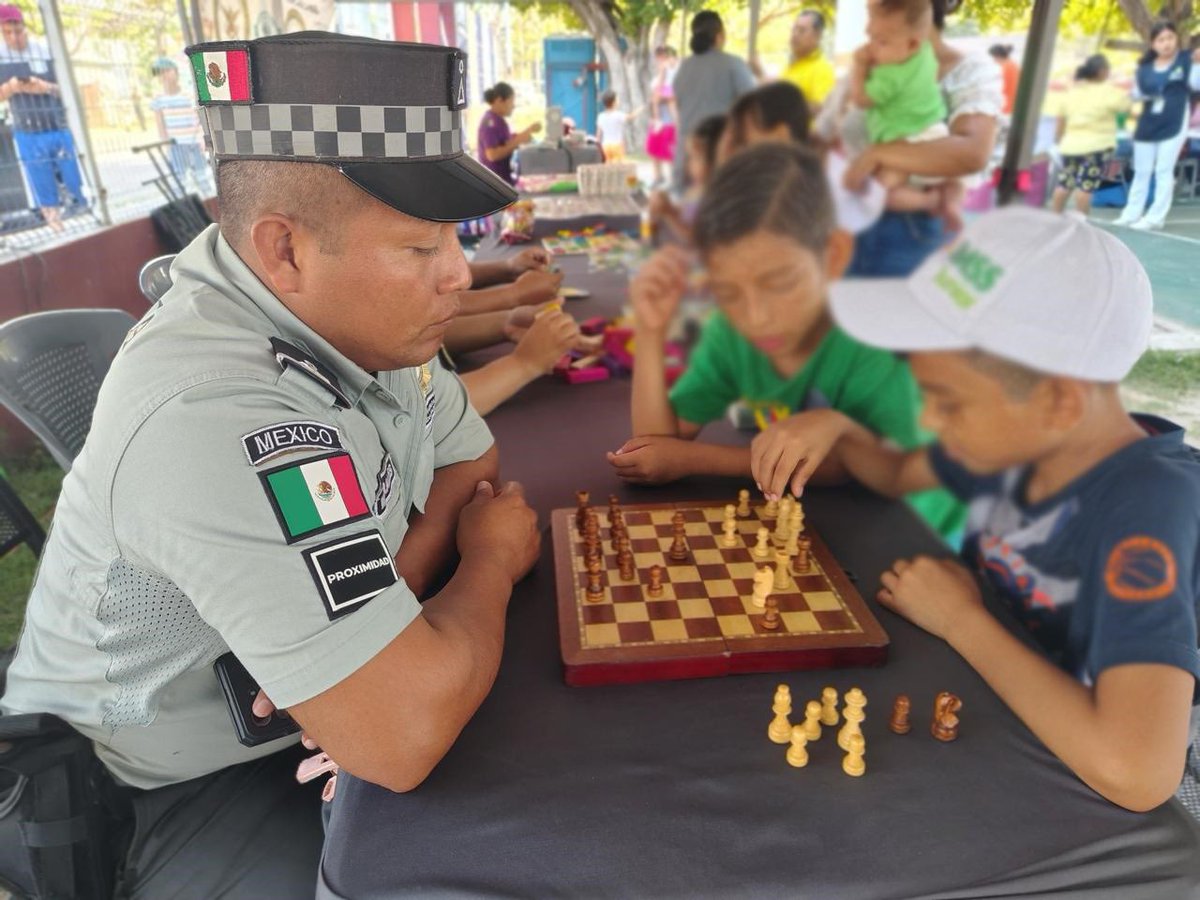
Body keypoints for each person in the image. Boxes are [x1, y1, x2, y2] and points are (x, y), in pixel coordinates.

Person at [0, 33, 541, 896]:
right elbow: (403, 734)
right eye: (418, 247)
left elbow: (470, 464)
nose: (458, 274)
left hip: (285, 724)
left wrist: (379, 617)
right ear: (283, 248)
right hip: (153, 789)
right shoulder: (214, 410)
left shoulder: (363, 319)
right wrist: (489, 560)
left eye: (452, 238)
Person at [750, 207, 1199, 813]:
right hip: (1010, 690)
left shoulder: (1144, 511)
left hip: (1129, 745)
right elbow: (898, 472)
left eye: (948, 400)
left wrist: (961, 620)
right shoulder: (1019, 441)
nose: (929, 421)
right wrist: (838, 427)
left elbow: (1138, 773)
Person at [609, 143, 963, 542]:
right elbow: (657, 450)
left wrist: (836, 428)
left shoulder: (872, 343)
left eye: (779, 284)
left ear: (833, 255)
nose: (756, 317)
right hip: (835, 524)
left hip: (921, 532)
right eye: (728, 291)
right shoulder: (730, 335)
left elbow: (895, 475)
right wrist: (651, 331)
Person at [820, 0, 1002, 277]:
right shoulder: (871, 62)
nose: (867, 27)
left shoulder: (968, 70)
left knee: (894, 317)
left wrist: (877, 154)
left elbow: (971, 153)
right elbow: (826, 134)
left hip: (912, 235)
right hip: (848, 225)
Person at [848, 0, 962, 232]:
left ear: (911, 44)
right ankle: (953, 204)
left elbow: (860, 99)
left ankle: (930, 201)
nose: (871, 47)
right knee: (956, 180)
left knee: (881, 191)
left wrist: (859, 67)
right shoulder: (925, 53)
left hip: (904, 142)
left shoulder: (889, 76)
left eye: (881, 42)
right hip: (936, 132)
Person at [0, 4, 85, 232]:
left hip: (56, 124)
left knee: (71, 174)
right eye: (7, 32)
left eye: (17, 31)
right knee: (40, 179)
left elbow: (67, 88)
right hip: (26, 129)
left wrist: (45, 87)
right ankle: (54, 224)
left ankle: (81, 208)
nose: (14, 37)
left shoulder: (45, 51)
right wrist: (12, 87)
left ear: (24, 27)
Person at [1113, 21, 1200, 231]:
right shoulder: (1144, 68)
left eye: (1170, 38)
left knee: (1163, 169)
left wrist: (1197, 64)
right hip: (1148, 123)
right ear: (1153, 44)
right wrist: (1125, 94)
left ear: (1176, 39)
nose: (1166, 43)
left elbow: (1196, 85)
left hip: (1174, 120)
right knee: (1141, 170)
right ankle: (1131, 212)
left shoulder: (1186, 60)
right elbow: (1137, 94)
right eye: (1161, 40)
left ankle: (1155, 217)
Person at [671, 10, 755, 190]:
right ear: (720, 36)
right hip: (718, 154)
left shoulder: (684, 67)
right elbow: (753, 103)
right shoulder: (733, 64)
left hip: (686, 157)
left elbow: (677, 104)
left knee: (686, 211)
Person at [1045, 55, 1130, 216]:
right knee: (1086, 186)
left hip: (1070, 145)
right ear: (1103, 71)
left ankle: (1055, 217)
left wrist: (1059, 138)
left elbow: (1061, 119)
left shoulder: (1073, 92)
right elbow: (1126, 108)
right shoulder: (1110, 92)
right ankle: (1081, 221)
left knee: (1065, 182)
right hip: (1097, 145)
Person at [648, 114, 725, 245]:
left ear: (715, 160)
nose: (688, 164)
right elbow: (685, 215)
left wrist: (669, 212)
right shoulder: (695, 189)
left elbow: (696, 238)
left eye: (694, 157)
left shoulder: (717, 197)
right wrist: (666, 207)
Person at [149, 56, 211, 193]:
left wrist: (203, 140)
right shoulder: (158, 99)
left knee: (202, 179)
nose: (164, 75)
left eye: (167, 71)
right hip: (175, 145)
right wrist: (166, 144)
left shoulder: (189, 95)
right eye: (161, 73)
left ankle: (209, 206)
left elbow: (199, 119)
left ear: (175, 72)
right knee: (179, 182)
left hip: (194, 143)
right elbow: (160, 124)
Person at [477, 81, 542, 186]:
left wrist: (528, 131)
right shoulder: (490, 123)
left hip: (503, 179)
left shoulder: (498, 120)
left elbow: (506, 142)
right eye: (511, 101)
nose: (513, 106)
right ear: (499, 100)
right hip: (495, 183)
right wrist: (518, 141)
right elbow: (492, 155)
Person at [782, 10, 836, 112]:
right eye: (794, 29)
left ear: (817, 36)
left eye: (801, 31)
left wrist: (785, 102)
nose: (795, 35)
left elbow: (821, 108)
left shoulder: (822, 68)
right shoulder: (789, 65)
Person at [646, 46, 679, 187]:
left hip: (671, 120)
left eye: (663, 55)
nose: (661, 59)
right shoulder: (657, 78)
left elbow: (673, 96)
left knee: (671, 150)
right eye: (658, 56)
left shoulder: (675, 71)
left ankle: (674, 179)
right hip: (659, 119)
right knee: (654, 149)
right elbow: (656, 94)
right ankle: (658, 176)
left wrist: (662, 95)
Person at [597, 90, 641, 162]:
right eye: (617, 99)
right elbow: (631, 117)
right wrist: (640, 109)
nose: (618, 100)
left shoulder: (600, 116)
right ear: (614, 102)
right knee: (618, 167)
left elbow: (598, 135)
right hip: (617, 146)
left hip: (605, 146)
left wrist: (598, 146)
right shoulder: (618, 115)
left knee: (608, 166)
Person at [989, 43, 1020, 116]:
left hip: (1007, 106)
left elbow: (1001, 88)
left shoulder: (1006, 68)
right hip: (1014, 105)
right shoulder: (1013, 65)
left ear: (997, 56)